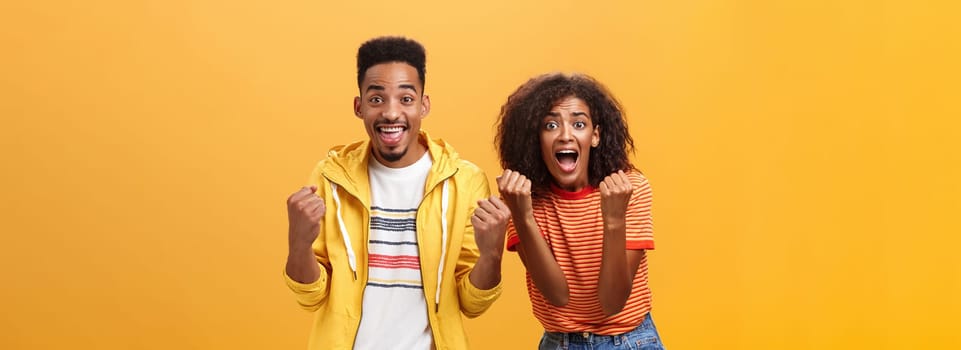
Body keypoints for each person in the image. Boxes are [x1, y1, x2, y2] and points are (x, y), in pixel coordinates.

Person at [284, 36, 510, 350]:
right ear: (359, 106)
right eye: (377, 99)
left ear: (424, 105)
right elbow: (310, 297)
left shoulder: (465, 181)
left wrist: (492, 254)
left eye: (406, 98)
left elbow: (472, 304)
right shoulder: (330, 177)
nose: (391, 113)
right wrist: (298, 243)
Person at [494, 73, 666, 349]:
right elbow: (556, 295)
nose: (565, 135)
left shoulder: (629, 188)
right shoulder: (522, 199)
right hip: (559, 342)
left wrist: (614, 220)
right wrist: (523, 216)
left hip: (630, 340)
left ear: (595, 135)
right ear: (535, 138)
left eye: (578, 124)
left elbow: (612, 302)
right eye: (550, 125)